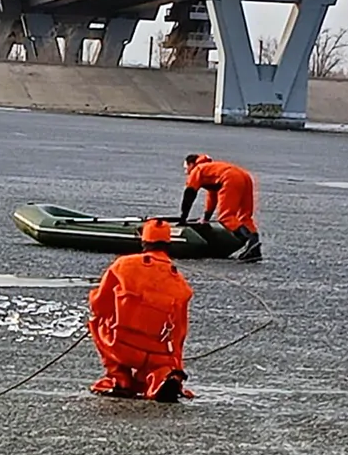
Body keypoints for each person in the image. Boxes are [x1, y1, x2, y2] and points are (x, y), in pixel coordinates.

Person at [87, 219, 196, 402]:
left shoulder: (123, 265)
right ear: (168, 244)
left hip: (122, 345)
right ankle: (160, 380)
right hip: (158, 352)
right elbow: (179, 332)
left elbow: (99, 304)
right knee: (162, 362)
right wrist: (175, 365)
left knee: (97, 322)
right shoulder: (180, 283)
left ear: (143, 242)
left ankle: (120, 379)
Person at [178, 153, 261, 262]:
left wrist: (183, 218)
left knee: (225, 217)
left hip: (230, 178)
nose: (186, 172)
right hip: (245, 176)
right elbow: (212, 198)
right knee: (244, 216)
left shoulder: (197, 170)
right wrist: (206, 218)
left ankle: (250, 241)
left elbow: (189, 194)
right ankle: (255, 248)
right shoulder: (212, 169)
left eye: (186, 168)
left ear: (191, 164)